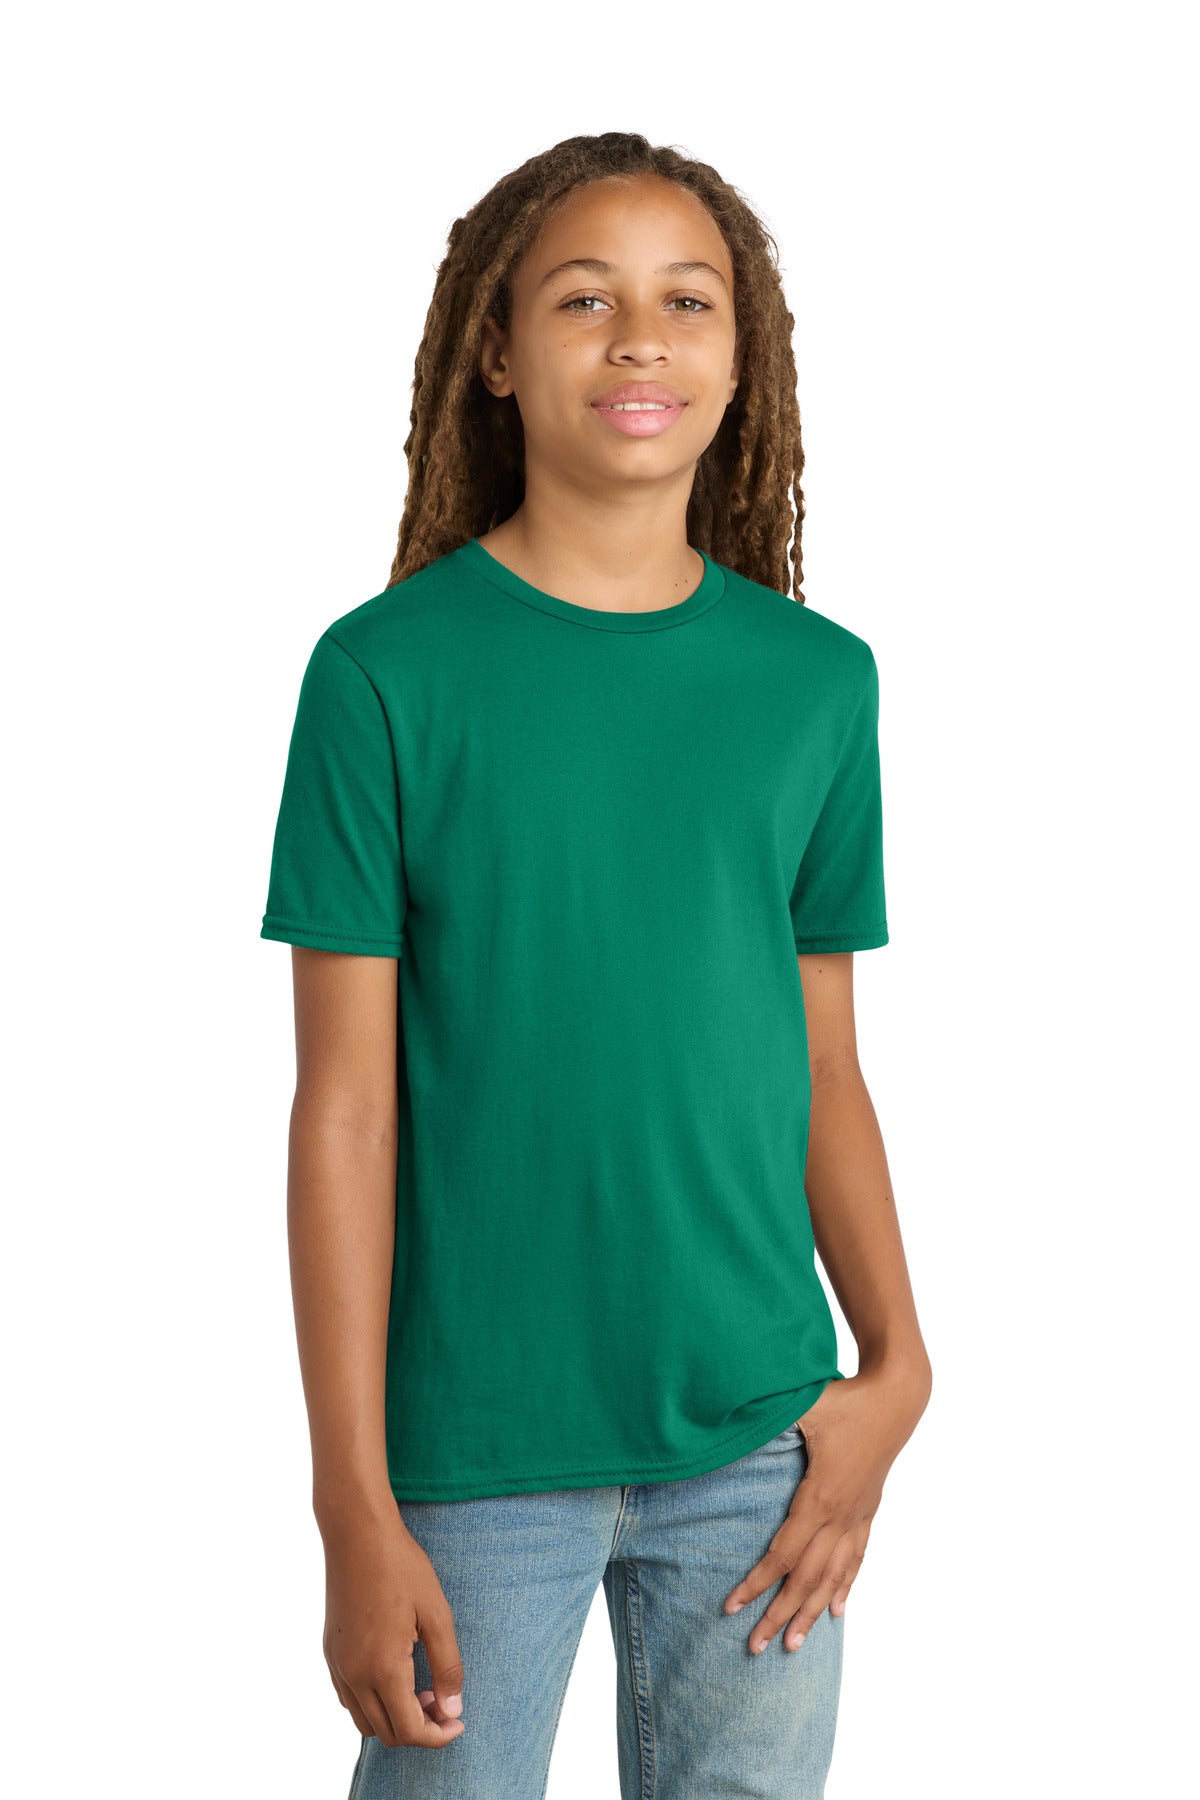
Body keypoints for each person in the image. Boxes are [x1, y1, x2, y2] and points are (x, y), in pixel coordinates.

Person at [260, 130, 932, 1800]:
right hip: (474, 1454)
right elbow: (345, 1112)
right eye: (584, 299)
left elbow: (821, 1065)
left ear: (742, 358)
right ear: (494, 354)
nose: (641, 338)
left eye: (687, 301)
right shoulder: (384, 675)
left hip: (758, 1447)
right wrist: (351, 1503)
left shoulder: (816, 683)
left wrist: (896, 1369)